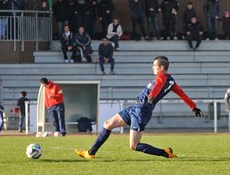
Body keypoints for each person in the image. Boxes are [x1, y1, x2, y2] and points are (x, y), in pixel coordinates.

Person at [75, 56, 203, 159]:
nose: (152, 67)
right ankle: (91, 153)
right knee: (108, 124)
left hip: (142, 111)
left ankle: (165, 153)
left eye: (154, 65)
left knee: (134, 145)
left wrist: (152, 96)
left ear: (162, 68)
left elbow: (157, 87)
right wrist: (193, 107)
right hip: (136, 108)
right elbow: (181, 93)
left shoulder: (161, 77)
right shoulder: (170, 81)